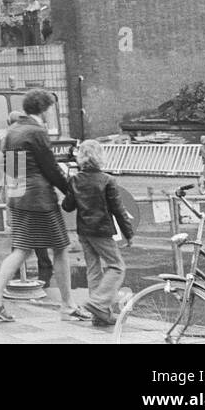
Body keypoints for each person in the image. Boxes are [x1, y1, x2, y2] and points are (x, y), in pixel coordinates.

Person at [0, 88, 82, 322]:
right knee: (59, 247)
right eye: (50, 108)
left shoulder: (13, 130)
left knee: (22, 249)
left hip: (18, 195)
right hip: (39, 198)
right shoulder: (37, 131)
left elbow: (12, 167)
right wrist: (72, 191)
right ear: (45, 108)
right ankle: (67, 306)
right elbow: (51, 168)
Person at [61, 139, 134, 327]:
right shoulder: (107, 180)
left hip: (84, 231)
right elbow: (118, 209)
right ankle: (98, 304)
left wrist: (70, 189)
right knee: (117, 266)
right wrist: (129, 233)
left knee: (94, 269)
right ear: (100, 156)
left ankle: (100, 316)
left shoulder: (75, 179)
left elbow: (67, 207)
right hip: (101, 231)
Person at [0, 111, 51, 286]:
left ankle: (18, 270)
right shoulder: (28, 137)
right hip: (32, 191)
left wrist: (1, 186)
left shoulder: (1, 139)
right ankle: (44, 266)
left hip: (14, 191)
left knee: (20, 230)